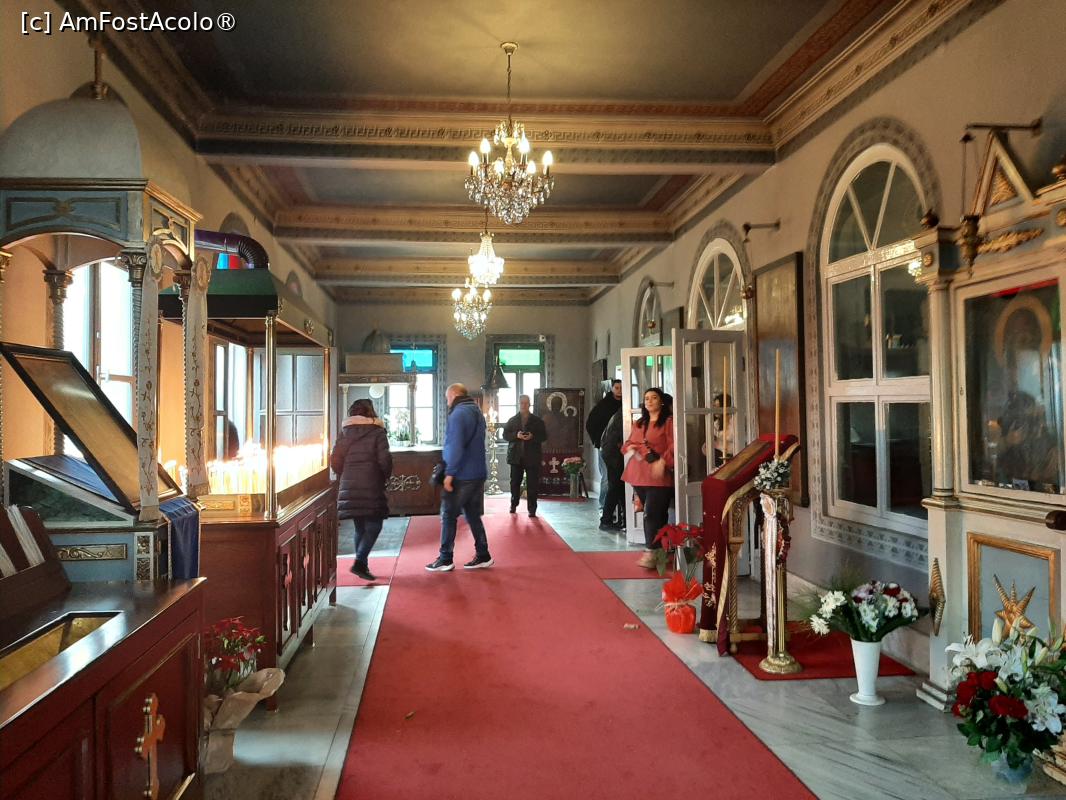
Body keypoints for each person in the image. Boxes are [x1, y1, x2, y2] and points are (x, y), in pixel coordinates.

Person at [426, 383, 493, 572]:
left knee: (448, 514)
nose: (447, 402)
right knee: (472, 515)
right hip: (477, 472)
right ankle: (483, 554)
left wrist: (450, 473)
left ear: (454, 394)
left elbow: (455, 445)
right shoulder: (476, 412)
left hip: (462, 474)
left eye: (447, 398)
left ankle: (445, 558)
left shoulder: (458, 414)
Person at [330, 398, 393, 581]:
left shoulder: (344, 432)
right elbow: (385, 460)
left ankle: (362, 565)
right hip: (371, 482)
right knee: (375, 524)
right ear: (370, 411)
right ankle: (359, 562)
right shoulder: (377, 432)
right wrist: (385, 476)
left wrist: (344, 474)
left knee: (360, 527)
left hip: (349, 483)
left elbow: (335, 459)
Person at [621, 388, 675, 568]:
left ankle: (651, 552)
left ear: (661, 401)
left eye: (654, 398)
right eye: (646, 398)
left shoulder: (668, 422)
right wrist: (630, 448)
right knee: (655, 515)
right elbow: (628, 443)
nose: (649, 401)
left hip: (658, 475)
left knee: (652, 514)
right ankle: (660, 552)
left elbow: (674, 446)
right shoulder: (640, 423)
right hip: (638, 474)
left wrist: (664, 462)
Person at [502, 394, 547, 517]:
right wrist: (516, 435)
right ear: (519, 404)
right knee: (515, 483)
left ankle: (532, 509)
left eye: (526, 403)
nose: (524, 405)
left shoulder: (537, 421)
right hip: (516, 457)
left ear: (529, 404)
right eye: (522, 403)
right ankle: (513, 504)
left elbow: (543, 436)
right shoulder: (512, 420)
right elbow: (505, 435)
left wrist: (533, 436)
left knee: (532, 484)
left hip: (532, 457)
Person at [586, 379, 623, 514]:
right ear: (612, 389)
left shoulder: (627, 403)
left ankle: (620, 508)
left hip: (622, 447)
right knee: (607, 477)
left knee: (620, 478)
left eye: (622, 388)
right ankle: (604, 507)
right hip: (606, 447)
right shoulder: (603, 405)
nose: (619, 390)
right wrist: (598, 441)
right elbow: (590, 424)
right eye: (617, 388)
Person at [599, 407, 625, 531]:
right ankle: (606, 520)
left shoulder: (618, 414)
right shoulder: (622, 415)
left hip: (611, 453)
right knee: (615, 487)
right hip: (614, 455)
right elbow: (623, 437)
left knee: (619, 487)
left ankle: (622, 519)